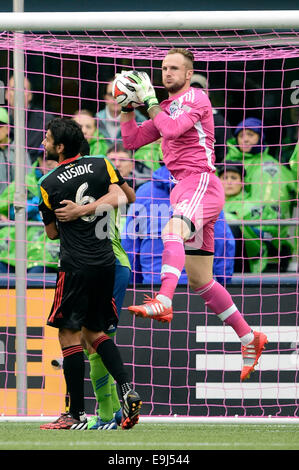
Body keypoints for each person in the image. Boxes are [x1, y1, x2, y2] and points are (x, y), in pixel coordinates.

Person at [118, 48, 268, 382]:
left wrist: (150, 102)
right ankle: (249, 337)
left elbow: (171, 131)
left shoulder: (197, 99)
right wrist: (127, 108)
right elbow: (132, 140)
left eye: (174, 68)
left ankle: (163, 299)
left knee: (172, 230)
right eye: (163, 68)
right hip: (185, 189)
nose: (166, 73)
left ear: (188, 74)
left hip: (201, 182)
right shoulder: (166, 108)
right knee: (200, 279)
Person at [38, 117, 141, 430]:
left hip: (76, 267)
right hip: (106, 262)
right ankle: (126, 388)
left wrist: (77, 212)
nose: (42, 143)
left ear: (60, 146)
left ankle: (75, 414)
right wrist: (94, 207)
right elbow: (127, 197)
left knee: (68, 334)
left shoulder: (48, 183)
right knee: (95, 334)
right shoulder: (101, 164)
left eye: (46, 139)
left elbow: (53, 233)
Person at [122, 164, 235, 285]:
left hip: (153, 284)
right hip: (197, 287)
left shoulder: (144, 192)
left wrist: (137, 283)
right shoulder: (206, 192)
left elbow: (130, 245)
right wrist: (224, 281)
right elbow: (223, 242)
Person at [224, 117, 296, 271]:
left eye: (251, 134)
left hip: (266, 244)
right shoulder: (228, 161)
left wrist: (232, 214)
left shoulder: (268, 168)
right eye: (241, 135)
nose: (245, 139)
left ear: (260, 137)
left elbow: (269, 209)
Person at [218, 161, 294, 273]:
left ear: (242, 182)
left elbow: (268, 235)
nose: (229, 182)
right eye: (225, 178)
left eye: (233, 178)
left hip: (247, 258)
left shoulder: (253, 205)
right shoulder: (213, 203)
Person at [0, 148, 59, 274]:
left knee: (38, 269)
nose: (49, 162)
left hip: (47, 239)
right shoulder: (23, 182)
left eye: (53, 159)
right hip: (17, 237)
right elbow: (3, 208)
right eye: (45, 158)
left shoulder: (64, 183)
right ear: (39, 160)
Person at [5, 76, 54, 164]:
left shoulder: (45, 121)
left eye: (22, 89)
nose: (18, 93)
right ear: (6, 94)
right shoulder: (2, 121)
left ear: (30, 95)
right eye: (13, 89)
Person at [190, 73, 232, 163]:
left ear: (207, 93)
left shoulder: (219, 122)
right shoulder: (177, 116)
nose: (196, 94)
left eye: (200, 90)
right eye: (192, 90)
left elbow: (224, 155)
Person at [96, 78, 146, 148]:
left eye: (120, 94)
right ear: (105, 97)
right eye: (111, 94)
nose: (116, 98)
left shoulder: (141, 121)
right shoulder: (96, 120)